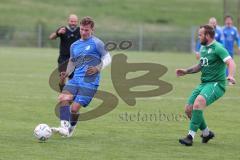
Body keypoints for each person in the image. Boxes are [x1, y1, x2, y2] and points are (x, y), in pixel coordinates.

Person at [51, 16, 112, 137]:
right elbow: (72, 61)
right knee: (63, 98)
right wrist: (67, 73)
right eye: (82, 29)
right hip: (76, 79)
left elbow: (108, 58)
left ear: (92, 30)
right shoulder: (74, 45)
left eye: (86, 30)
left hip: (90, 82)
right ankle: (64, 127)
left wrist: (98, 68)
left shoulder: (97, 43)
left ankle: (71, 128)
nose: (83, 32)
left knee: (74, 109)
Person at [176, 24, 236, 146]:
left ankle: (190, 137)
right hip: (204, 83)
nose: (198, 37)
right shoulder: (203, 48)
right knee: (189, 110)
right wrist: (186, 71)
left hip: (216, 84)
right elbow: (200, 66)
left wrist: (230, 75)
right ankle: (207, 133)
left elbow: (231, 62)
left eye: (200, 35)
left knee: (198, 103)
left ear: (207, 35)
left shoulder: (218, 48)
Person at [49, 14, 81, 91]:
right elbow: (51, 37)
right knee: (63, 76)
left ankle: (69, 95)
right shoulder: (63, 29)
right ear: (68, 21)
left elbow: (89, 37)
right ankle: (62, 90)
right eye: (71, 21)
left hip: (75, 58)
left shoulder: (80, 30)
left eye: (75, 21)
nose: (73, 23)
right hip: (63, 58)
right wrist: (57, 33)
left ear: (77, 22)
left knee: (73, 78)